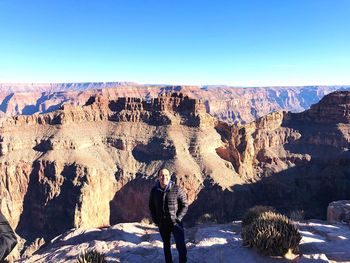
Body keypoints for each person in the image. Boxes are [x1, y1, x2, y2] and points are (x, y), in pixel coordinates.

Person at [149, 168, 188, 263]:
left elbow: (185, 204)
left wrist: (178, 218)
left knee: (181, 246)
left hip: (175, 223)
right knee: (166, 247)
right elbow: (151, 206)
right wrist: (156, 220)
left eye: (166, 175)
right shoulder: (154, 190)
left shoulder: (176, 189)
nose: (164, 177)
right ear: (158, 177)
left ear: (169, 176)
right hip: (163, 224)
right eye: (162, 175)